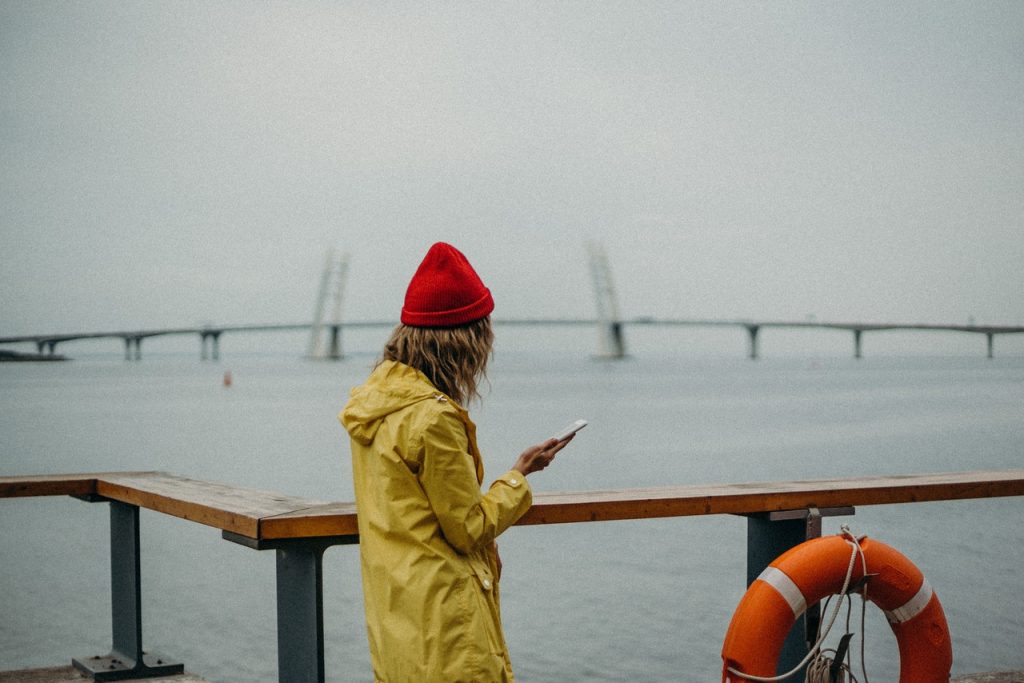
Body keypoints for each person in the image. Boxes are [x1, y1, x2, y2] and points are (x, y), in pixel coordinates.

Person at [340, 242, 574, 682]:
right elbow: (467, 528)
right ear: (464, 344)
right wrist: (518, 479)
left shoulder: (374, 406)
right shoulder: (433, 418)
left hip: (399, 612)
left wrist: (513, 473)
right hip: (448, 621)